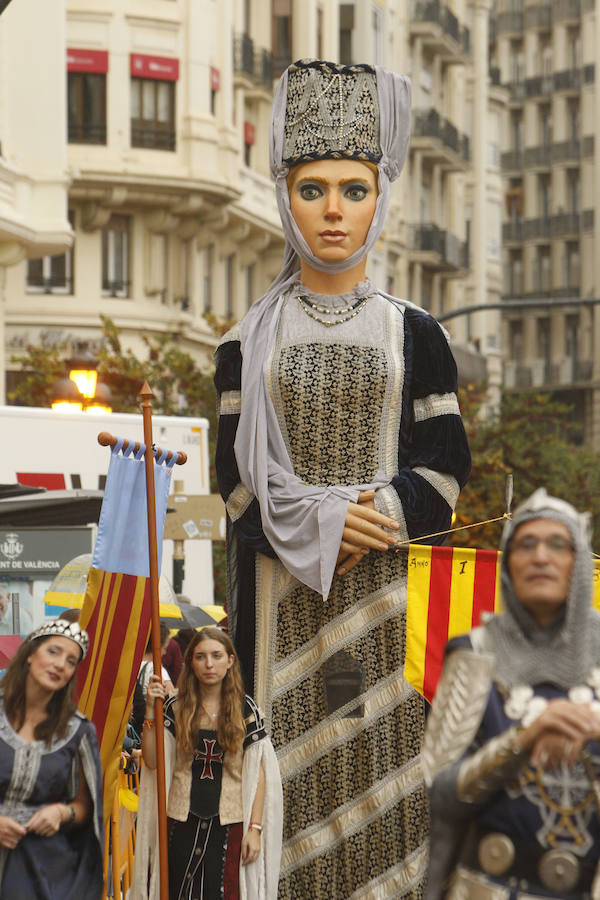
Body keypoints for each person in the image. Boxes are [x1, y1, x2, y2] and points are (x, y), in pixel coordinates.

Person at [214, 58, 471, 896]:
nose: (333, 210)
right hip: (278, 604)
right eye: (314, 188)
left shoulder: (417, 333)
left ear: (380, 198)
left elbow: (447, 467)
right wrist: (323, 525)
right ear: (285, 196)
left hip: (391, 600)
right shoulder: (245, 343)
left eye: (353, 189)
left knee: (390, 795)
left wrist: (385, 514)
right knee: (281, 811)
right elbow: (235, 487)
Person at [423, 488, 600, 899]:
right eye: (526, 544)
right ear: (509, 565)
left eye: (558, 543)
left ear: (579, 563)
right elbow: (440, 794)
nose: (541, 556)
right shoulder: (473, 653)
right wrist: (525, 739)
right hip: (486, 887)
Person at [130, 626, 283, 900]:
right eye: (200, 656)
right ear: (191, 662)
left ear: (230, 661)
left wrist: (255, 829)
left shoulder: (245, 710)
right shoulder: (175, 707)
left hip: (228, 822)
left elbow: (259, 775)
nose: (209, 664)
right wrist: (150, 713)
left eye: (216, 655)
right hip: (181, 820)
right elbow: (152, 761)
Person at [0, 619, 103, 899]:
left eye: (71, 661)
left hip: (43, 871)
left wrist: (61, 813)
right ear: (31, 654)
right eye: (54, 652)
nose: (61, 665)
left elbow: (85, 805)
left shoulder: (77, 731)